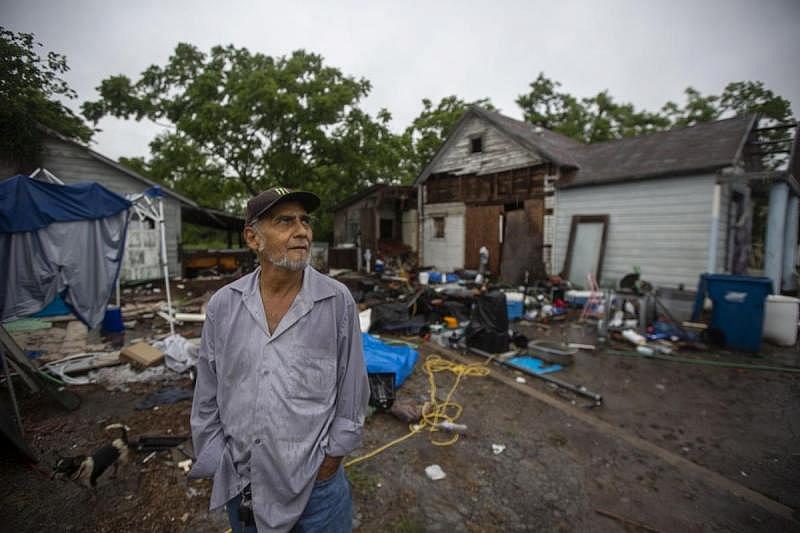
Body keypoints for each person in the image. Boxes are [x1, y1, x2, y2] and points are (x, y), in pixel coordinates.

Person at [189, 186, 370, 532]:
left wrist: (330, 463)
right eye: (284, 221)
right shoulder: (223, 306)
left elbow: (351, 391)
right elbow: (207, 392)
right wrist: (217, 455)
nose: (302, 231)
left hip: (316, 488)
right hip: (243, 484)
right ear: (253, 238)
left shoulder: (336, 302)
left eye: (304, 221)